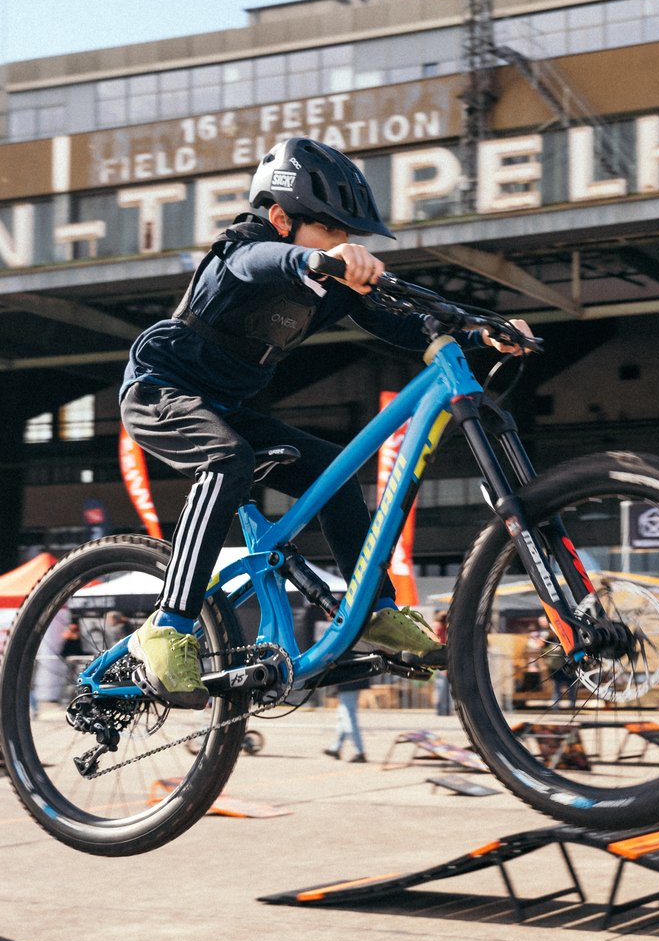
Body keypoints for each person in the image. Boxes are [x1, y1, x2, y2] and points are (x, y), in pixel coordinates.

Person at [115, 137, 532, 707]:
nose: (343, 244)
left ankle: (374, 611)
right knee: (227, 460)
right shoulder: (242, 249)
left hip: (229, 409)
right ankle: (168, 625)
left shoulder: (330, 285)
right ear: (280, 220)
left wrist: (480, 331)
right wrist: (311, 259)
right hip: (159, 391)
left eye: (348, 234)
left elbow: (402, 325)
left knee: (334, 475)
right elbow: (257, 263)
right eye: (330, 230)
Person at [321, 666, 370, 763]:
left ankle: (359, 752)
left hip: (348, 679)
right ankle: (336, 748)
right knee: (343, 715)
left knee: (348, 717)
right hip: (351, 679)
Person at [432, 610, 453, 717]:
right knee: (444, 688)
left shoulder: (435, 625)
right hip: (442, 659)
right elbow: (442, 642)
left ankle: (441, 709)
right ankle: (444, 709)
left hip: (436, 658)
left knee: (441, 687)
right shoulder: (442, 628)